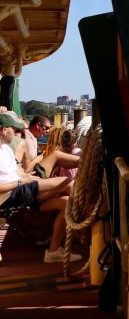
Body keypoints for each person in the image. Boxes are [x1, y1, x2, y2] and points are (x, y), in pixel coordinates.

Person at [0, 112, 82, 262]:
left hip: (22, 187)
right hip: (11, 194)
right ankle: (84, 224)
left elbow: (17, 172)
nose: (18, 133)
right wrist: (19, 182)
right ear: (4, 130)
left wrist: (28, 177)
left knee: (67, 203)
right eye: (13, 129)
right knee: (69, 182)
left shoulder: (5, 149)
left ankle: (53, 252)